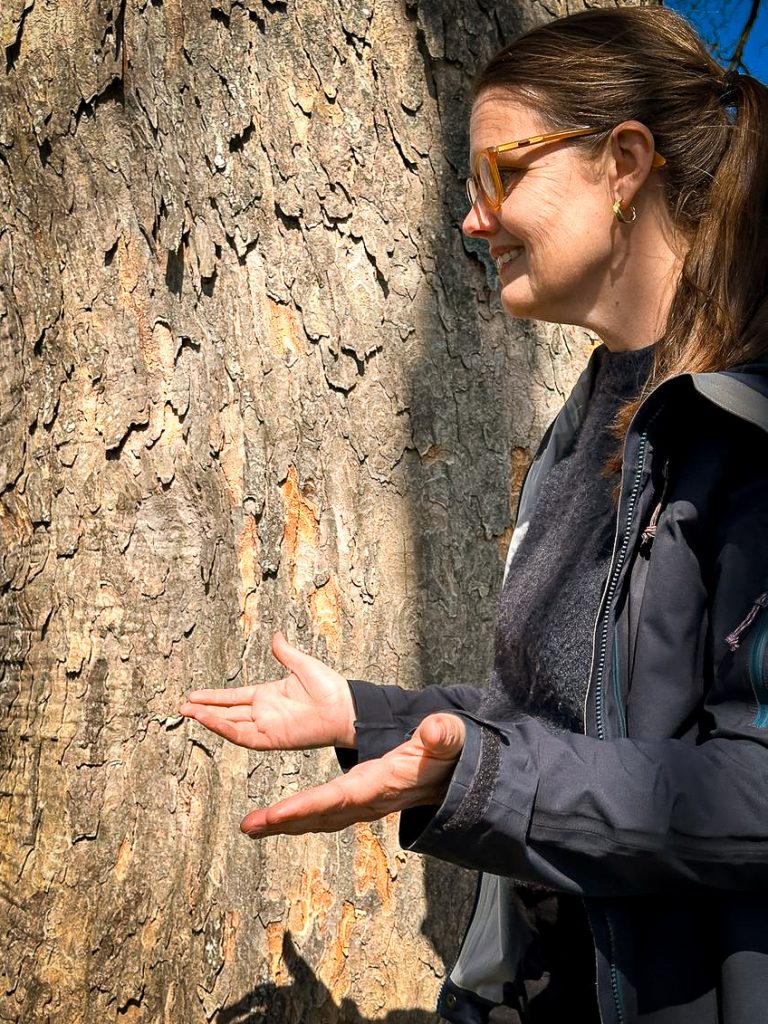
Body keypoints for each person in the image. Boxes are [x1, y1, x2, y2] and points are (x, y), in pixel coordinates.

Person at [180, 7, 768, 1023]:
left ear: (624, 162)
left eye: (504, 172)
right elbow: (563, 722)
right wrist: (371, 718)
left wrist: (488, 780)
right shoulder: (584, 429)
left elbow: (752, 796)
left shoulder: (747, 427)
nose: (472, 219)